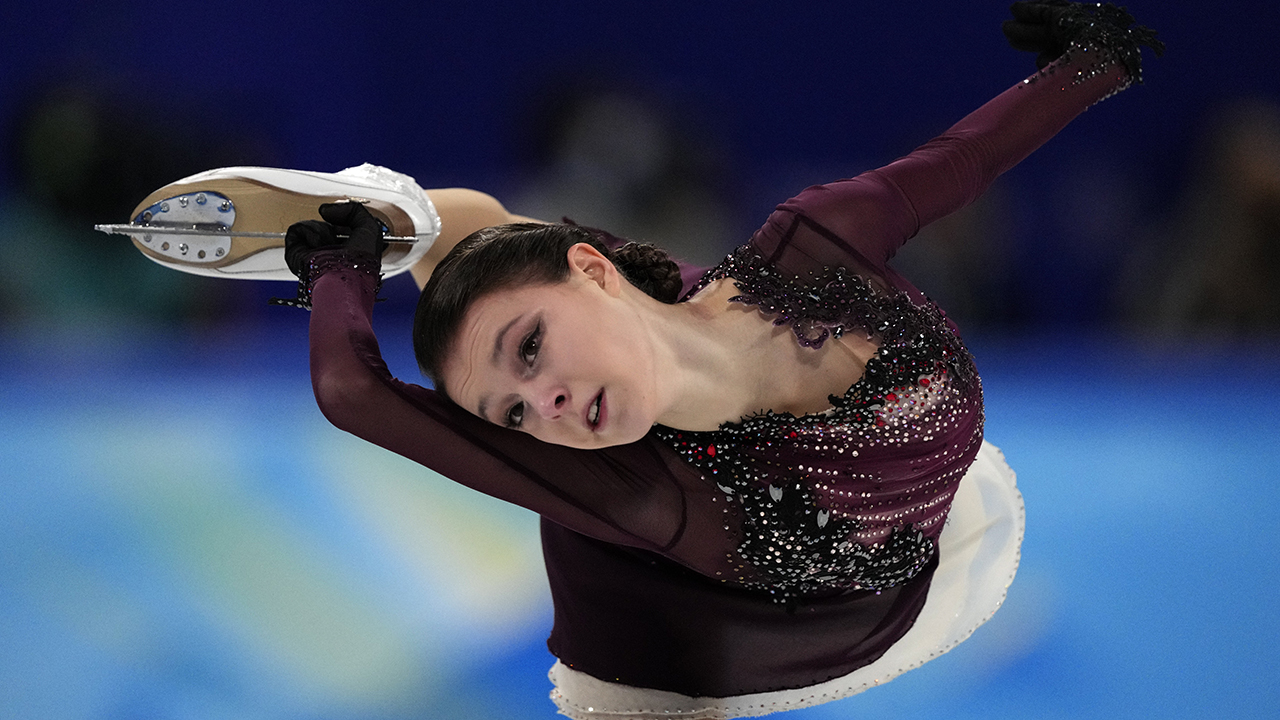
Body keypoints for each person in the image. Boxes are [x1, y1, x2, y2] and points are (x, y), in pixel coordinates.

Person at [114, 3, 1161, 717]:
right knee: (513, 337)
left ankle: (415, 223)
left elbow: (959, 160)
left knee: (489, 247)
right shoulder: (632, 489)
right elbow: (352, 390)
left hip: (904, 495)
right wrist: (334, 279)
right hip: (725, 631)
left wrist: (1093, 61)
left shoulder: (812, 247)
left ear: (598, 270)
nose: (549, 402)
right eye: (515, 413)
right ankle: (399, 227)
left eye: (531, 362)